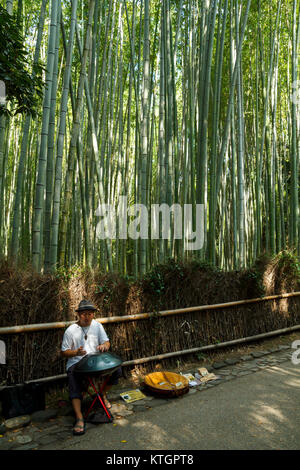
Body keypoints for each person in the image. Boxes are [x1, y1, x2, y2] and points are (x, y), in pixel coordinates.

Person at [61, 299, 122, 436]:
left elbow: (106, 342)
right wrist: (75, 352)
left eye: (90, 313)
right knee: (73, 378)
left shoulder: (97, 326)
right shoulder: (70, 330)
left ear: (93, 314)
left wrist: (104, 346)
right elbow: (63, 352)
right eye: (84, 314)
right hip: (77, 363)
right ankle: (79, 418)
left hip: (95, 362)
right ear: (78, 315)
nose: (87, 316)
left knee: (116, 370)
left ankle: (101, 395)